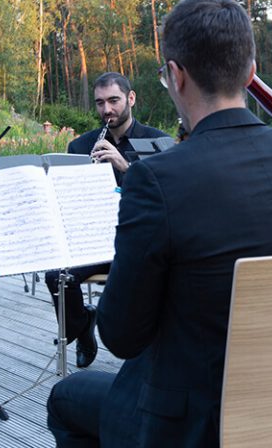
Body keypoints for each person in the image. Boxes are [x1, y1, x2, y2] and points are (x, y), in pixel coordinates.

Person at [46, 0, 272, 448]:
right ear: (250, 74)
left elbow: (121, 336)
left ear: (175, 75)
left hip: (199, 421)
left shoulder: (156, 179)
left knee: (65, 398)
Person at [44, 71, 169, 369]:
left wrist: (126, 166)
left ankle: (149, 350)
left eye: (113, 100)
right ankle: (82, 327)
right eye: (100, 103)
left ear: (131, 98)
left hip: (140, 241)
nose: (107, 110)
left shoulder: (157, 142)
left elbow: (166, 197)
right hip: (95, 239)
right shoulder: (80, 146)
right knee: (56, 276)